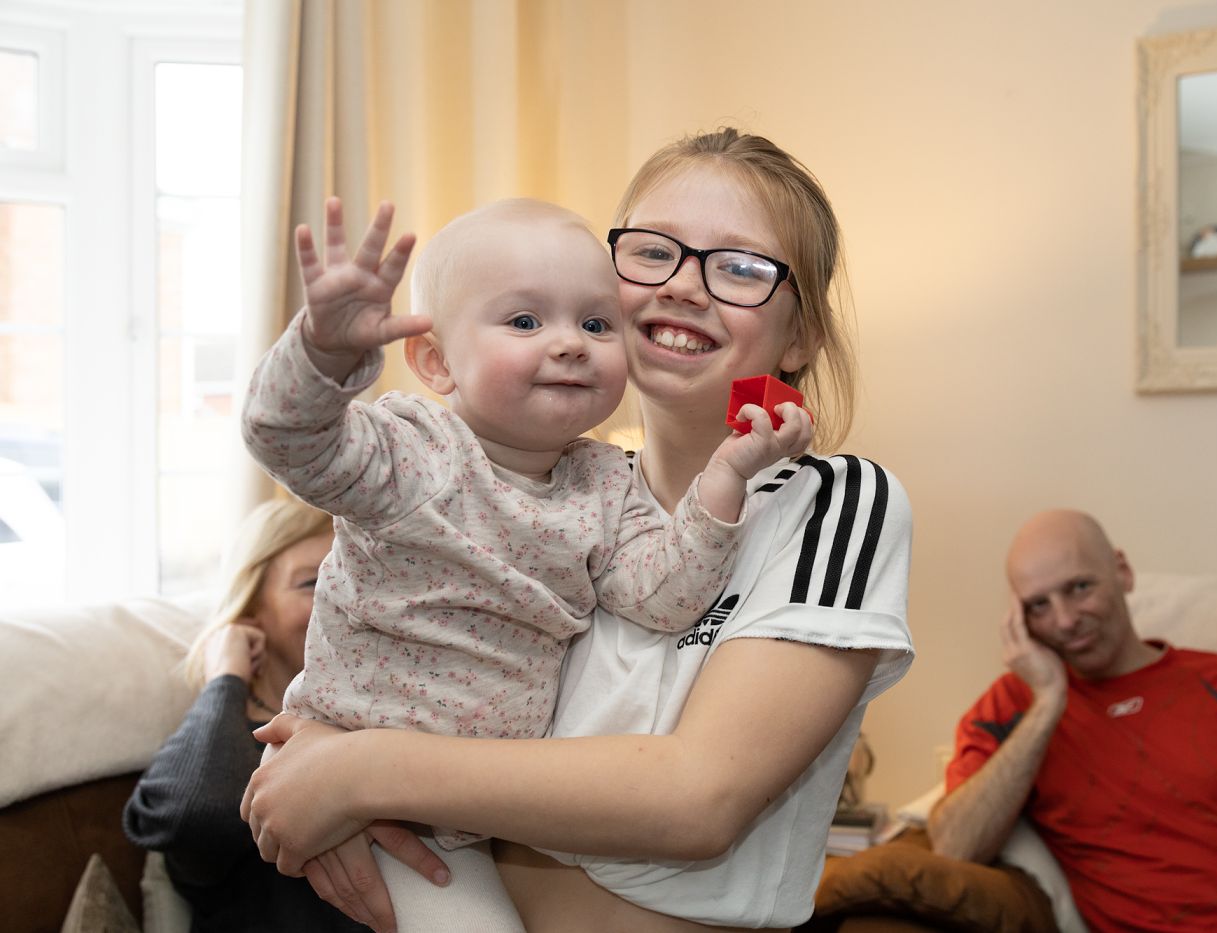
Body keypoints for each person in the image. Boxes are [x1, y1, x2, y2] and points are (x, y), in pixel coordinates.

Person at [239, 127, 915, 933]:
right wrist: (331, 754)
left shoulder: (832, 503)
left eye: (740, 267)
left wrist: (358, 771)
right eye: (653, 252)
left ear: (801, 335)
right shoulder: (540, 479)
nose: (684, 286)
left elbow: (697, 799)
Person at [926, 508, 1217, 931]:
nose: (1064, 621)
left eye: (1079, 587)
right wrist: (1047, 703)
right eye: (1038, 605)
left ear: (1122, 572)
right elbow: (953, 848)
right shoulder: (1014, 711)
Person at [122, 498, 371, 931]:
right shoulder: (223, 745)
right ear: (253, 609)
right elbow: (191, 817)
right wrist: (226, 678)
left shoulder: (384, 724)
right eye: (312, 582)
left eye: (357, 579)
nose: (344, 600)